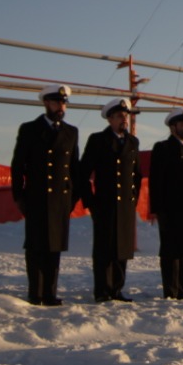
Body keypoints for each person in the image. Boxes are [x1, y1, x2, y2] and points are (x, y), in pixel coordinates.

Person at [11, 84, 80, 306]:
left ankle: (50, 293)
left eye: (63, 103)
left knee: (54, 247)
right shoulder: (30, 129)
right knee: (36, 247)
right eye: (56, 102)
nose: (61, 106)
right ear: (46, 103)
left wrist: (73, 198)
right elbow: (18, 166)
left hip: (60, 200)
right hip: (37, 197)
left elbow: (75, 169)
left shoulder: (71, 132)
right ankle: (35, 292)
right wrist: (19, 196)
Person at [78, 97, 142, 303]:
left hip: (124, 204)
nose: (124, 120)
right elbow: (83, 173)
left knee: (122, 247)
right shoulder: (98, 140)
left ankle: (117, 288)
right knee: (104, 248)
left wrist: (133, 198)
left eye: (126, 116)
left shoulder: (132, 142)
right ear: (110, 119)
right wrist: (90, 202)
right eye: (120, 116)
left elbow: (136, 174)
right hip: (104, 203)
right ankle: (102, 290)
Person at [149, 106, 183, 300]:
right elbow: (156, 181)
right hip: (170, 208)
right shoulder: (163, 148)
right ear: (173, 127)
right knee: (171, 251)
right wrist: (155, 209)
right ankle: (170, 291)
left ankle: (181, 289)